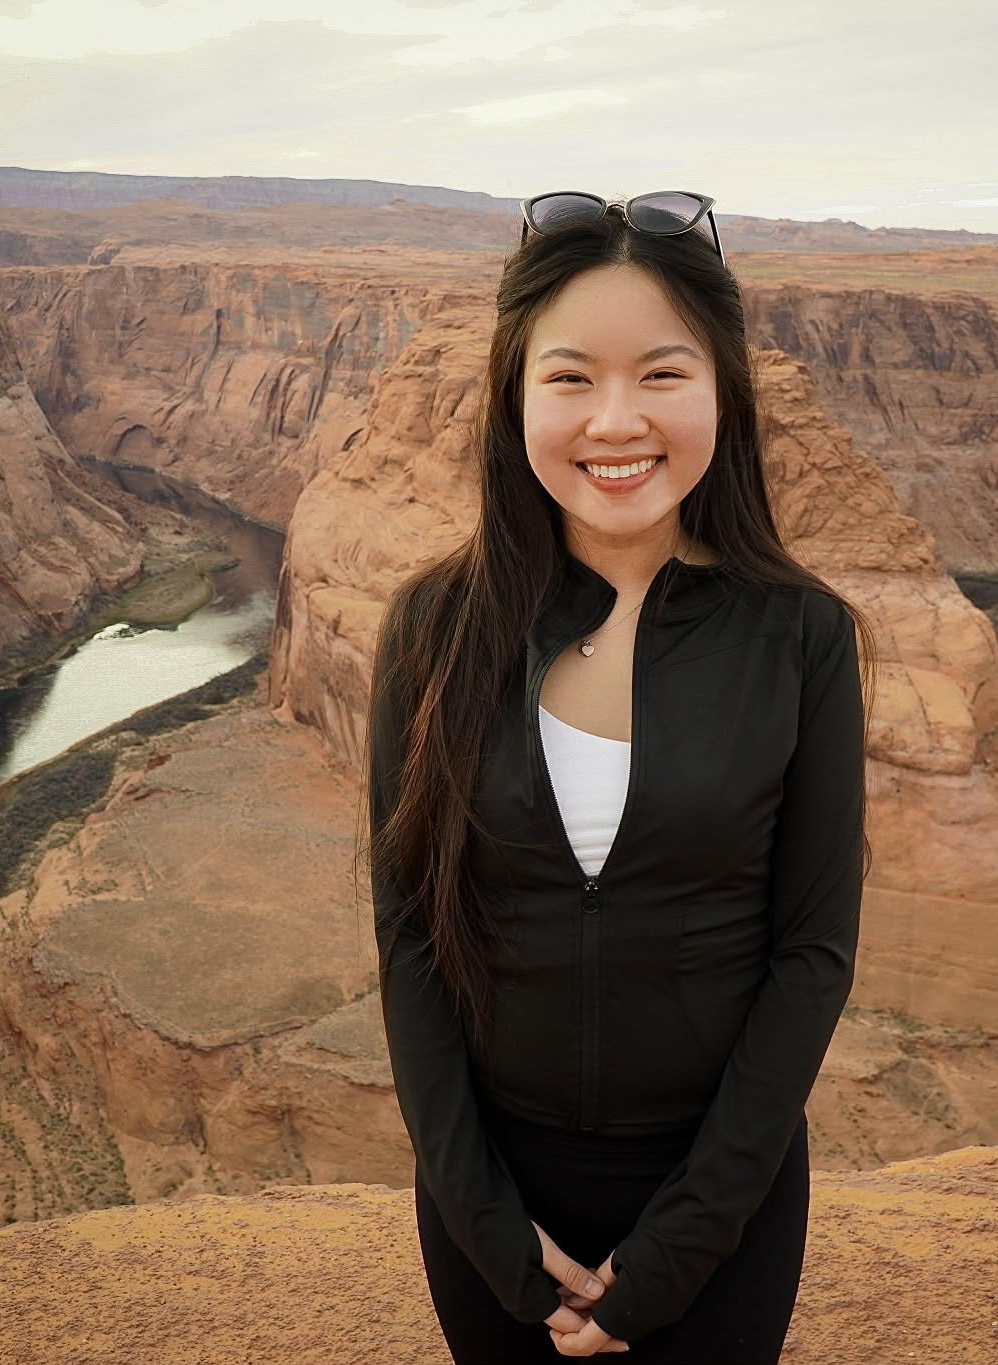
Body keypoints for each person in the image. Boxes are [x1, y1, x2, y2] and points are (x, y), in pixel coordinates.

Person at [366, 189, 873, 1364]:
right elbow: (406, 934)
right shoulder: (433, 626)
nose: (613, 421)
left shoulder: (798, 638)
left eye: (659, 374)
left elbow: (810, 953)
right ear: (512, 394)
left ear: (720, 392)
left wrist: (674, 1253)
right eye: (568, 378)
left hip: (718, 1209)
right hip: (495, 1203)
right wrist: (487, 1226)